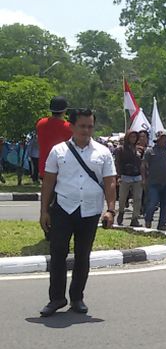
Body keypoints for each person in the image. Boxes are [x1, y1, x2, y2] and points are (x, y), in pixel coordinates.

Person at [38, 108, 117, 317]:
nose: (86, 130)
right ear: (72, 126)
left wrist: (110, 209)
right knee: (58, 253)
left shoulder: (103, 152)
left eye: (90, 126)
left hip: (90, 211)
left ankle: (77, 297)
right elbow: (48, 182)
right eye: (82, 126)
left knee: (83, 256)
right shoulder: (58, 151)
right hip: (63, 209)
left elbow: (110, 182)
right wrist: (44, 211)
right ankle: (56, 298)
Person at [36, 96, 73, 182]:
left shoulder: (40, 123)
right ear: (65, 110)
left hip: (44, 167)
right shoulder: (69, 128)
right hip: (61, 169)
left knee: (46, 194)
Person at [114, 131, 144, 226]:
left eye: (135, 137)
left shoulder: (140, 149)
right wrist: (118, 176)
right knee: (122, 198)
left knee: (138, 198)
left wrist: (144, 177)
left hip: (137, 176)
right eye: (131, 136)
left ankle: (135, 218)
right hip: (125, 176)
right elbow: (117, 163)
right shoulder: (121, 150)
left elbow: (142, 164)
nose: (133, 138)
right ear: (127, 137)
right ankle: (121, 213)